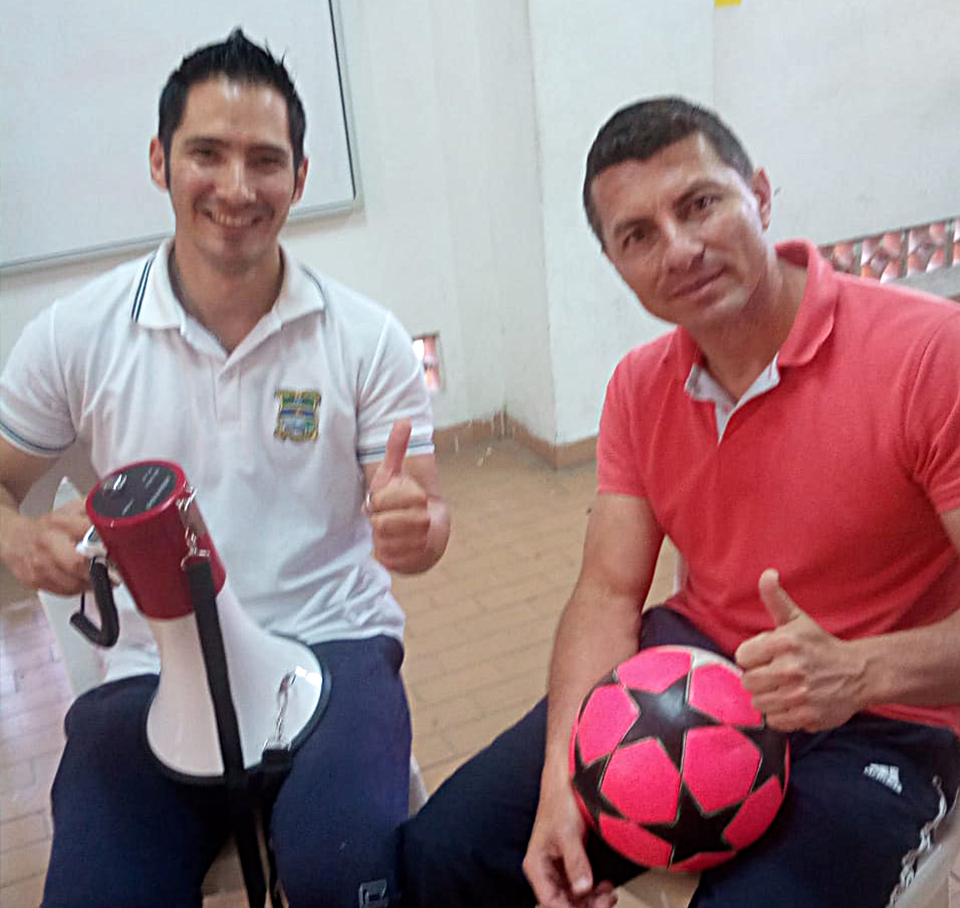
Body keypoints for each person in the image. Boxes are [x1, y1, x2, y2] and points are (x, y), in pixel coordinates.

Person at [400, 97, 960, 908]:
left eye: (700, 204)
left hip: (887, 715)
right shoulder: (640, 386)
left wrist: (858, 669)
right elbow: (606, 592)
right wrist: (563, 775)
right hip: (692, 678)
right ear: (616, 263)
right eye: (638, 236)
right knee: (444, 855)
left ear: (759, 195)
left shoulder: (929, 353)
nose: (680, 249)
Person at [0, 30, 450, 908]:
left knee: (348, 880)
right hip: (150, 666)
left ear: (301, 177)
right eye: (208, 153)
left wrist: (418, 530)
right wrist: (19, 541)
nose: (237, 188)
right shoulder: (75, 335)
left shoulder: (366, 339)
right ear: (160, 161)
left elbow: (429, 523)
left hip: (334, 643)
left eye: (266, 160)